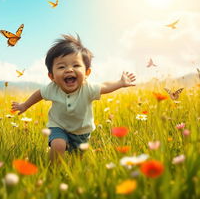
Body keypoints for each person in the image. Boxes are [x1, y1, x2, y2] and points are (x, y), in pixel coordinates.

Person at [11, 34, 136, 163]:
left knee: (77, 159)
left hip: (81, 131)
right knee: (58, 145)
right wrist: (25, 105)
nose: (69, 70)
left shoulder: (88, 88)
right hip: (58, 126)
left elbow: (105, 86)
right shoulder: (52, 88)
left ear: (87, 73)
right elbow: (39, 94)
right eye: (61, 67)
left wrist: (120, 83)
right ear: (51, 76)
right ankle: (53, 171)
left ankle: (71, 169)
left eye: (76, 66)